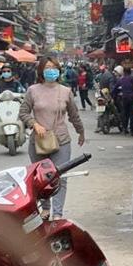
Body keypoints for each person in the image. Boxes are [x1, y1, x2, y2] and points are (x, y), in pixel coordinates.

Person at [18, 57, 85, 219]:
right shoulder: (32, 90)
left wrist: (80, 131)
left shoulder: (66, 91)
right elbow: (23, 112)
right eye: (47, 67)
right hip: (39, 142)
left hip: (61, 140)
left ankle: (58, 213)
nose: (51, 70)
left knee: (60, 177)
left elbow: (74, 115)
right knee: (41, 179)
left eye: (54, 67)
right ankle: (46, 208)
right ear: (41, 71)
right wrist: (34, 124)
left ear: (58, 70)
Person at [113, 65, 133, 135]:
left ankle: (125, 129)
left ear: (124, 72)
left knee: (125, 113)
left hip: (125, 98)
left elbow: (115, 89)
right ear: (130, 72)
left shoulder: (121, 80)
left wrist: (114, 97)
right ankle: (131, 130)